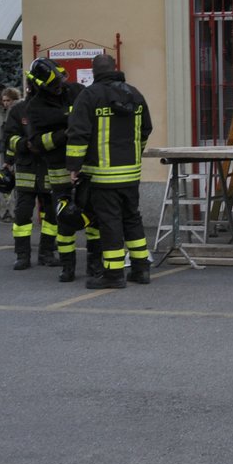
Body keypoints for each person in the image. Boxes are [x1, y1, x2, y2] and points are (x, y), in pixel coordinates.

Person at [66, 53, 152, 289]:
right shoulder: (134, 94)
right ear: (115, 68)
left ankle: (114, 275)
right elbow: (145, 129)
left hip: (103, 176)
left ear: (93, 72)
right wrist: (134, 154)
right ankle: (141, 269)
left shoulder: (89, 95)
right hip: (131, 174)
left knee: (110, 222)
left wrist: (74, 167)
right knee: (132, 218)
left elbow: (78, 134)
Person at [22, 58, 102, 282]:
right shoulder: (35, 107)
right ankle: (67, 268)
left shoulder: (77, 91)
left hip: (86, 170)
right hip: (59, 172)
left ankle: (95, 266)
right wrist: (63, 134)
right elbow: (37, 143)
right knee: (65, 222)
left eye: (60, 81)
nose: (60, 87)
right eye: (54, 85)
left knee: (93, 219)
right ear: (40, 85)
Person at [2, 81, 57, 270]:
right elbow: (9, 138)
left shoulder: (54, 108)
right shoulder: (19, 110)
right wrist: (25, 144)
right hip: (27, 168)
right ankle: (22, 255)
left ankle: (47, 253)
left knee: (51, 214)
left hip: (49, 168)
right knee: (23, 215)